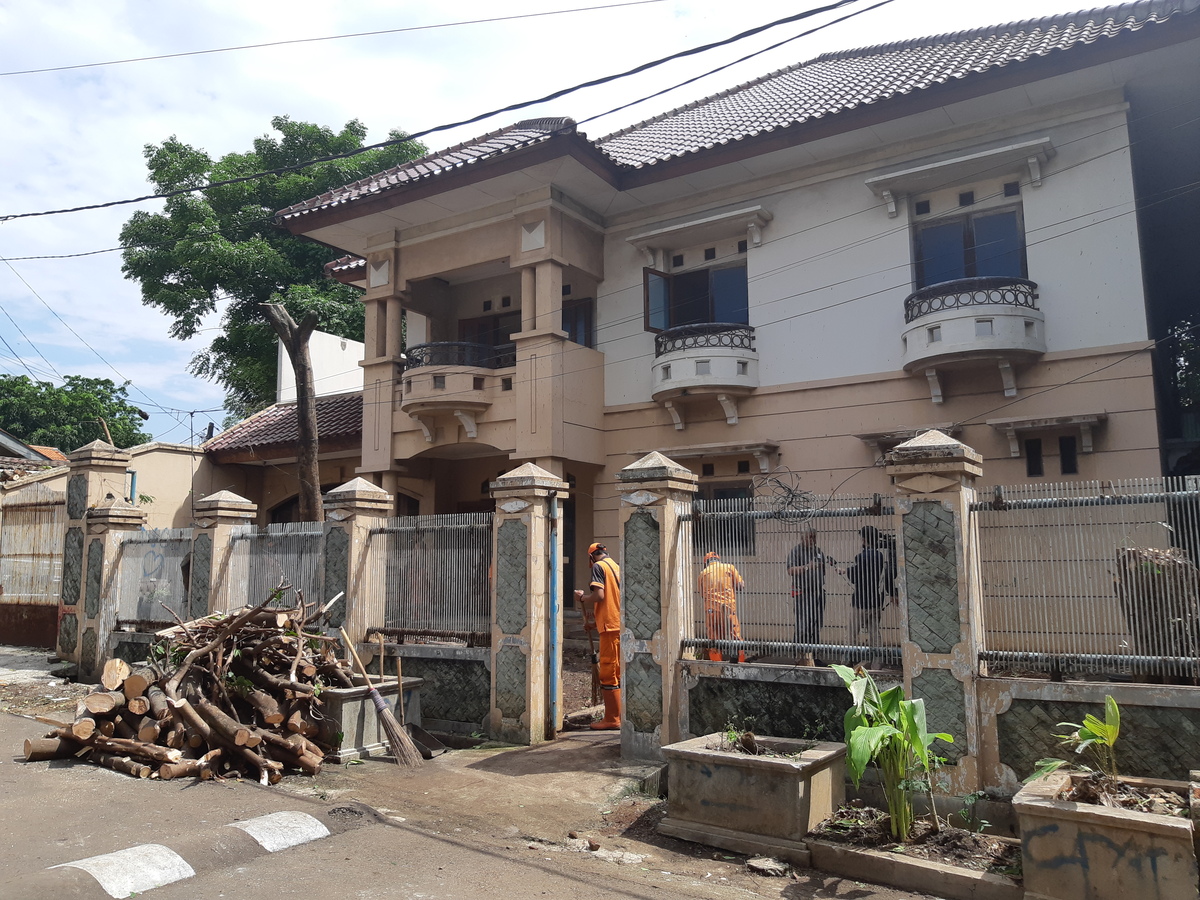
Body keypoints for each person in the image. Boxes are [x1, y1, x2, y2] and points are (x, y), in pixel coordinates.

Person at [573, 542, 622, 730]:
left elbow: (600, 596)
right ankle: (619, 715)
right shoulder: (615, 566)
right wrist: (594, 624)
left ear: (591, 557)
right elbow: (614, 599)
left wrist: (582, 598)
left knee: (608, 673)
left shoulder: (598, 567)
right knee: (618, 672)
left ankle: (612, 719)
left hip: (610, 627)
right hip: (617, 624)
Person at [839, 526, 887, 665]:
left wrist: (846, 571)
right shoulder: (879, 556)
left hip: (860, 602)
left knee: (851, 633)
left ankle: (846, 663)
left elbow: (856, 576)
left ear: (864, 539)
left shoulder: (861, 557)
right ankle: (877, 663)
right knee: (874, 633)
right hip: (875, 601)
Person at [786, 528, 829, 665]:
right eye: (810, 537)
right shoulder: (796, 551)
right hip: (803, 594)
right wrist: (807, 567)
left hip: (818, 593)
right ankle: (799, 656)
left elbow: (822, 570)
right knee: (803, 626)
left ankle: (814, 656)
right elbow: (790, 570)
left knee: (816, 626)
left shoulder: (818, 551)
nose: (812, 540)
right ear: (802, 538)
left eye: (814, 537)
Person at [698, 551, 745, 663]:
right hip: (728, 607)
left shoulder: (703, 573)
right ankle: (741, 662)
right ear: (718, 560)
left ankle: (716, 664)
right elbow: (740, 585)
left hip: (711, 610)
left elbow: (702, 594)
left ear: (706, 563)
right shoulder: (729, 567)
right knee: (735, 635)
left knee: (714, 638)